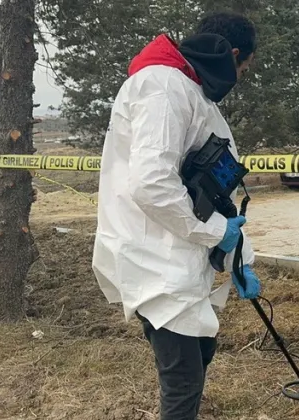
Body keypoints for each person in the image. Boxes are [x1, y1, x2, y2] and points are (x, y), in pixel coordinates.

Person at [92, 11, 262, 420]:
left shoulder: (187, 89)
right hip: (155, 256)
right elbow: (152, 185)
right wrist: (216, 232)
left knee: (201, 350)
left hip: (175, 252)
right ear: (233, 54)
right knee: (183, 377)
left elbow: (204, 182)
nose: (241, 77)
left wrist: (239, 253)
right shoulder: (163, 86)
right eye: (244, 67)